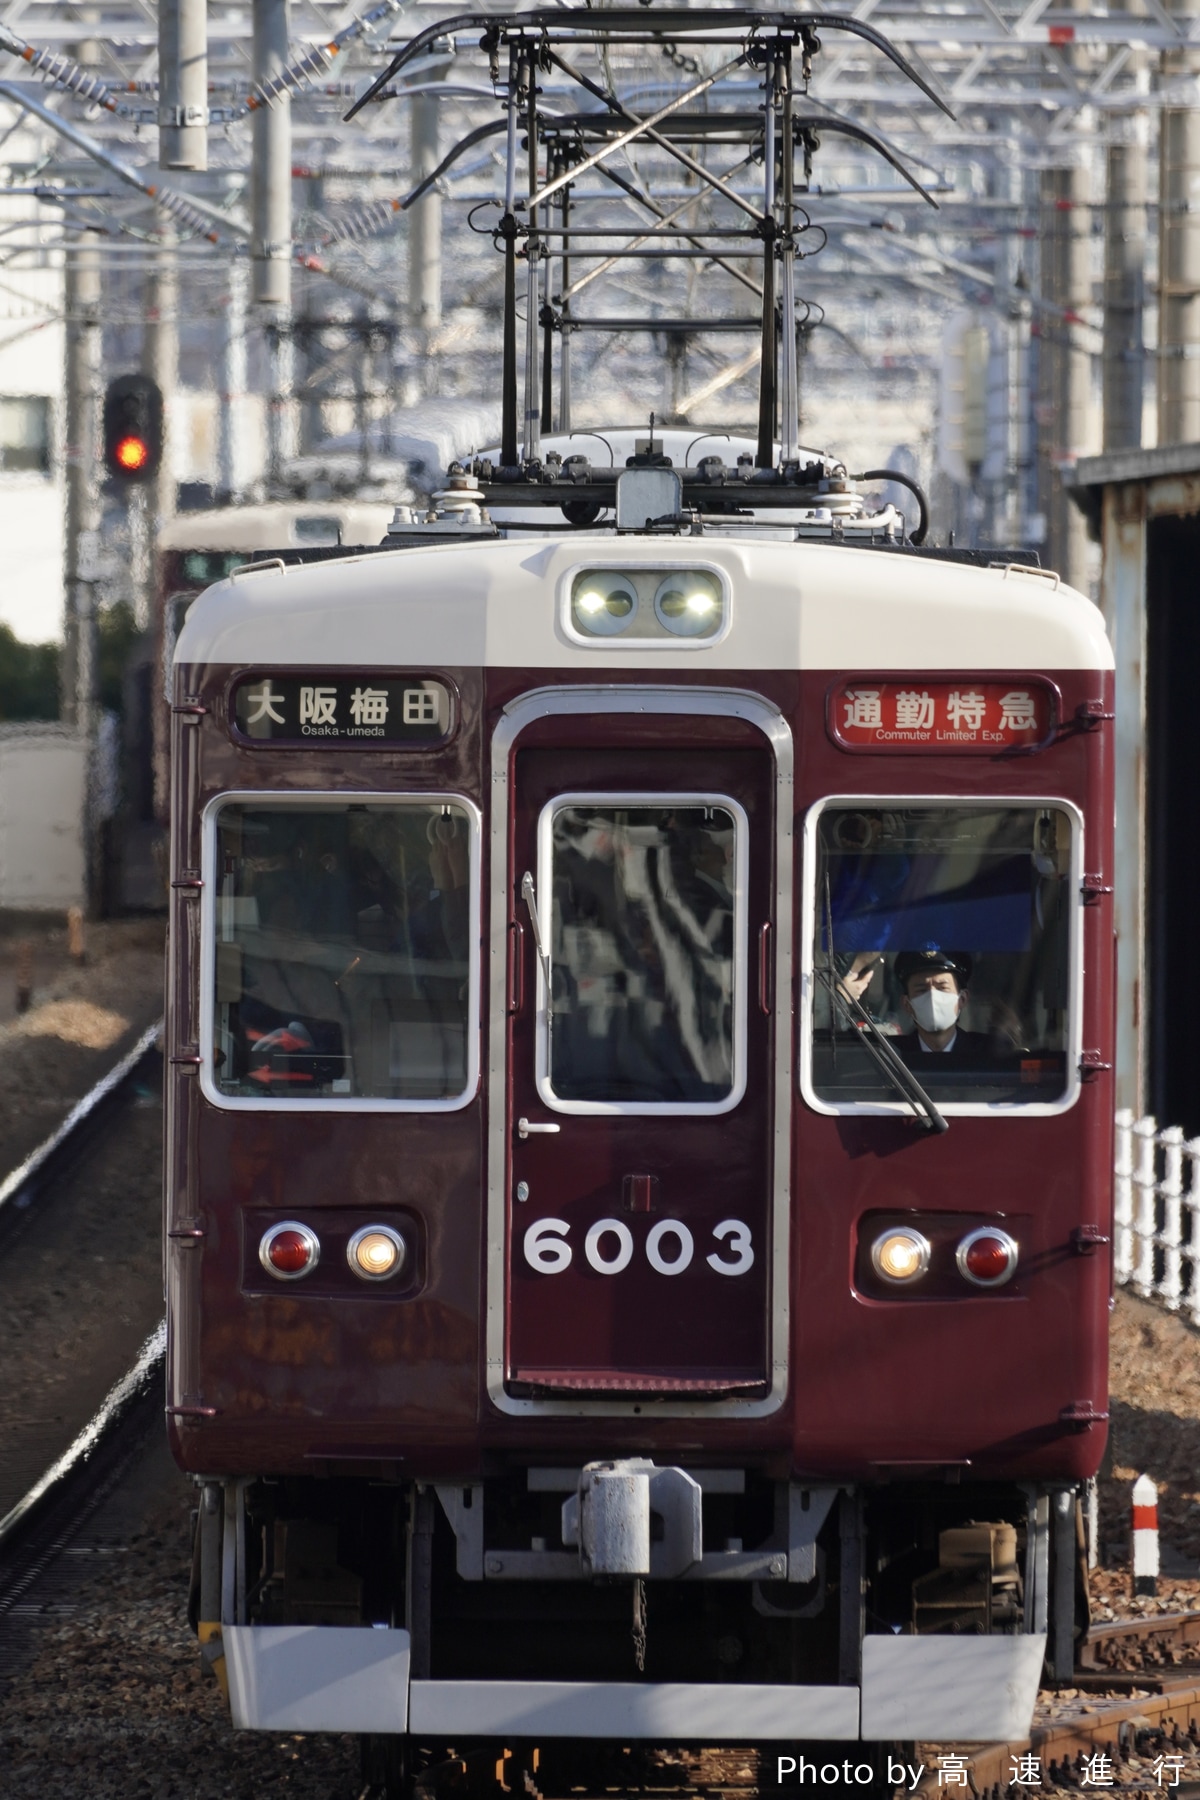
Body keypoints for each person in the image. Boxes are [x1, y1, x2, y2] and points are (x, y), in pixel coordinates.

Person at [893, 949, 1014, 1067]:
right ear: (907, 1004)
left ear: (962, 999)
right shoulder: (890, 1055)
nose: (932, 996)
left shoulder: (990, 1054)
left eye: (942, 988)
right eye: (921, 990)